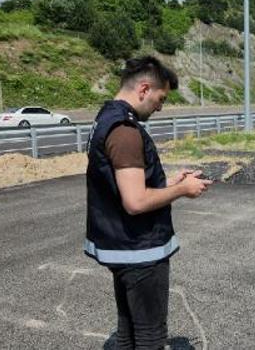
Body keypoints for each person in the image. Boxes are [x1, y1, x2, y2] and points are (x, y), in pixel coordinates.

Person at [84, 56, 212, 349]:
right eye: (160, 98)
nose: (160, 106)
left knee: (127, 331)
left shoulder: (106, 118)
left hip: (122, 246)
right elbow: (136, 201)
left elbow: (122, 187)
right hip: (139, 252)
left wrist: (169, 183)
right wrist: (183, 191)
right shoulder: (125, 132)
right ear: (143, 89)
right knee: (150, 336)